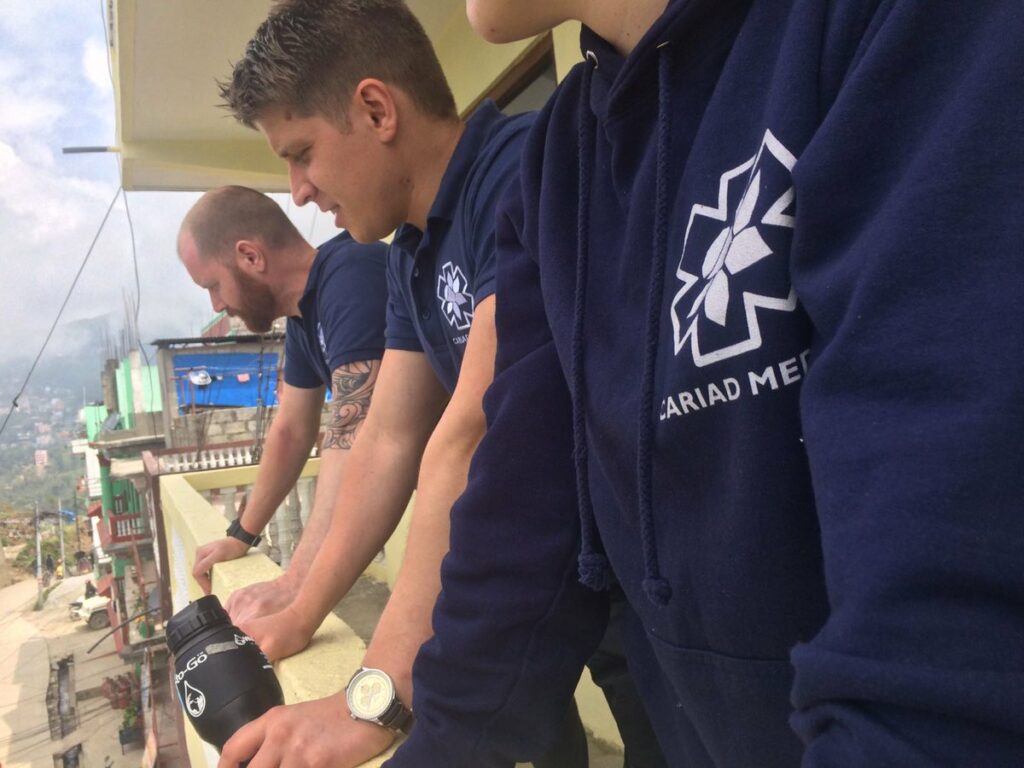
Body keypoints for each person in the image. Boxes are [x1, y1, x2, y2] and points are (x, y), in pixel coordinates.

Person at [385, 0, 1024, 766]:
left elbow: (950, 630)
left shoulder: (921, 26)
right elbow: (524, 512)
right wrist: (431, 742)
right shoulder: (557, 163)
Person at [214, 3, 661, 767]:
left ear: (376, 109)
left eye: (302, 154)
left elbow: (470, 430)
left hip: (650, 580)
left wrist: (376, 689)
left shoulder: (521, 167)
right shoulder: (409, 253)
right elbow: (385, 440)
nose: (299, 192)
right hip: (551, 586)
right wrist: (301, 608)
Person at [179, 185, 389, 617]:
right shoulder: (301, 317)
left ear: (250, 257)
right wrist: (242, 534)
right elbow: (292, 431)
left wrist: (295, 584)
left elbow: (353, 434)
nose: (217, 304)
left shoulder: (350, 275)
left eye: (214, 285)